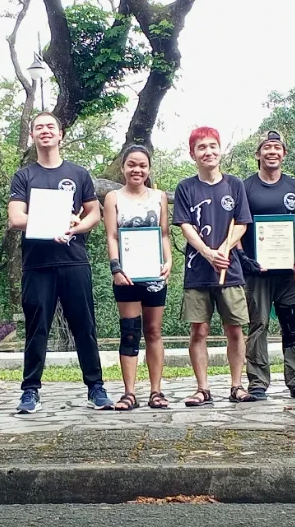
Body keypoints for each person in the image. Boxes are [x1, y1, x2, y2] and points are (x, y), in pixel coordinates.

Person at [8, 112, 112, 413]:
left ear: (60, 134)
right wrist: (52, 222)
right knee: (36, 327)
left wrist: (73, 226)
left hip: (73, 261)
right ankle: (30, 391)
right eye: (38, 127)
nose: (45, 131)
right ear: (32, 135)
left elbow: (94, 213)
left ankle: (96, 387)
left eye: (50, 127)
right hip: (37, 264)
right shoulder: (25, 176)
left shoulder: (79, 174)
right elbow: (16, 218)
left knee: (84, 325)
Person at [173, 126, 255, 406]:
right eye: (201, 147)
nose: (207, 152)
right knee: (199, 331)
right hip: (197, 271)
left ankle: (236, 385)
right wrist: (208, 252)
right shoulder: (186, 187)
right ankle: (203, 388)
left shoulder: (235, 185)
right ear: (193, 154)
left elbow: (242, 222)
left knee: (235, 329)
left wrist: (225, 248)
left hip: (230, 271)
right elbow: (185, 225)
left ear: (220, 150)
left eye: (212, 146)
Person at [236, 130, 295, 401]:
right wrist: (241, 256)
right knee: (257, 324)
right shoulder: (244, 188)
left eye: (277, 147)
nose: (272, 151)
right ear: (258, 154)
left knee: (291, 325)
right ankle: (257, 382)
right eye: (267, 147)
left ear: (284, 153)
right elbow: (235, 226)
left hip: (288, 272)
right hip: (256, 272)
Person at [103, 144, 173, 411]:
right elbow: (111, 235)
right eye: (132, 164)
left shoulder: (159, 196)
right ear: (123, 167)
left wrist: (169, 261)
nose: (137, 169)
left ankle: (156, 391)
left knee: (154, 331)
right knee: (130, 333)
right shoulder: (113, 198)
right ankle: (129, 393)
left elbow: (164, 233)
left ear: (149, 169)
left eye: (142, 165)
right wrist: (115, 267)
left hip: (153, 274)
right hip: (126, 276)